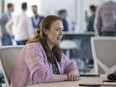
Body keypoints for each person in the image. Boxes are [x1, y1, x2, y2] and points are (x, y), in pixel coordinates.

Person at [10, 15, 79, 87]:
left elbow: (73, 66)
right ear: (46, 31)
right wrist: (67, 77)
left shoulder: (54, 50)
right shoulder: (33, 48)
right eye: (57, 29)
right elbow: (40, 76)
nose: (61, 33)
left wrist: (73, 72)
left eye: (62, 30)